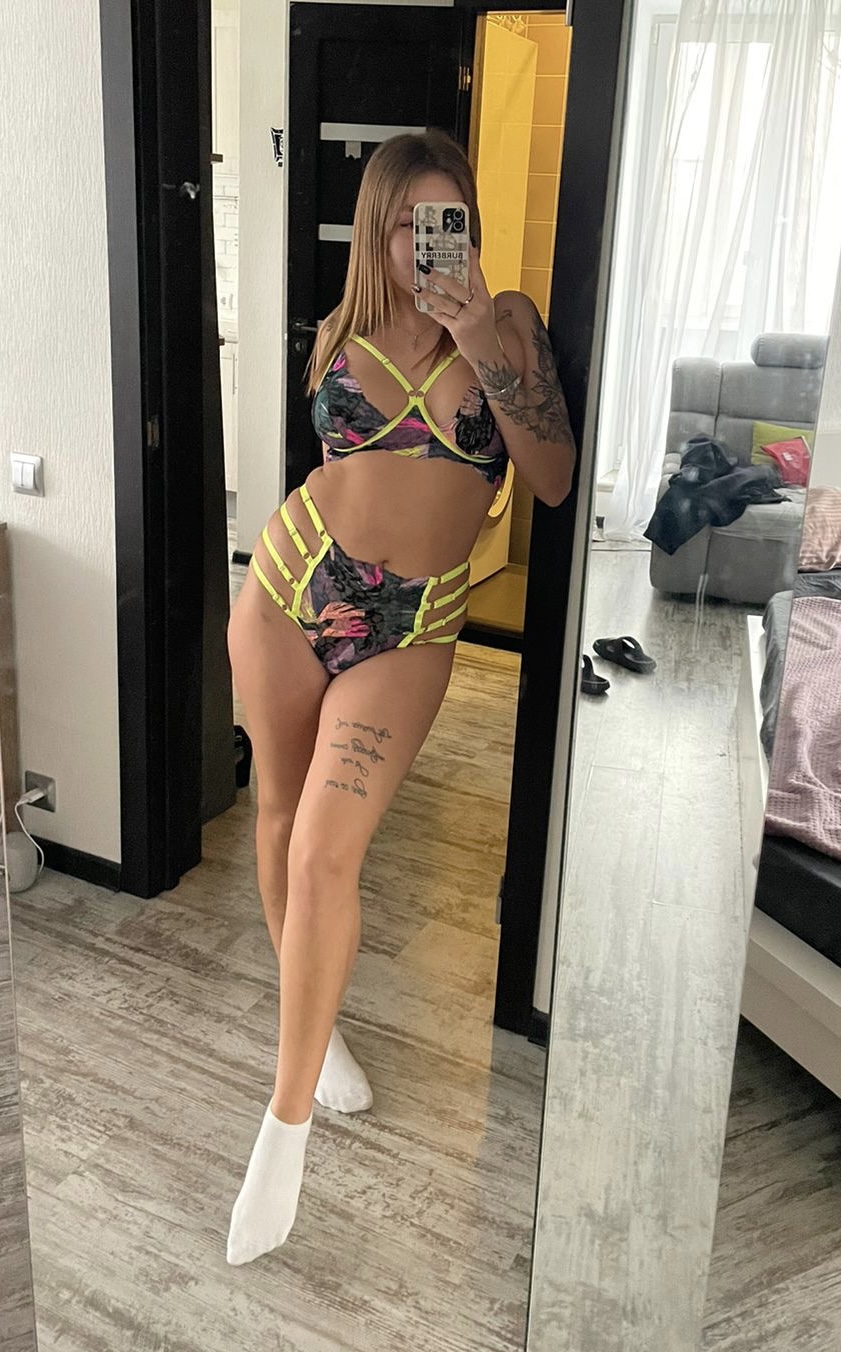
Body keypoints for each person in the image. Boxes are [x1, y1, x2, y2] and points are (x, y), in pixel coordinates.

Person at [225, 129, 575, 1266]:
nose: (423, 245)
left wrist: (476, 341)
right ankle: (314, 1035)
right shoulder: (340, 327)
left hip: (412, 623)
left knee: (329, 847)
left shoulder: (506, 324)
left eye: (444, 220)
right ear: (377, 229)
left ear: (466, 224)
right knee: (279, 820)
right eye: (403, 224)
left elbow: (551, 477)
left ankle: (281, 1133)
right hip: (290, 589)